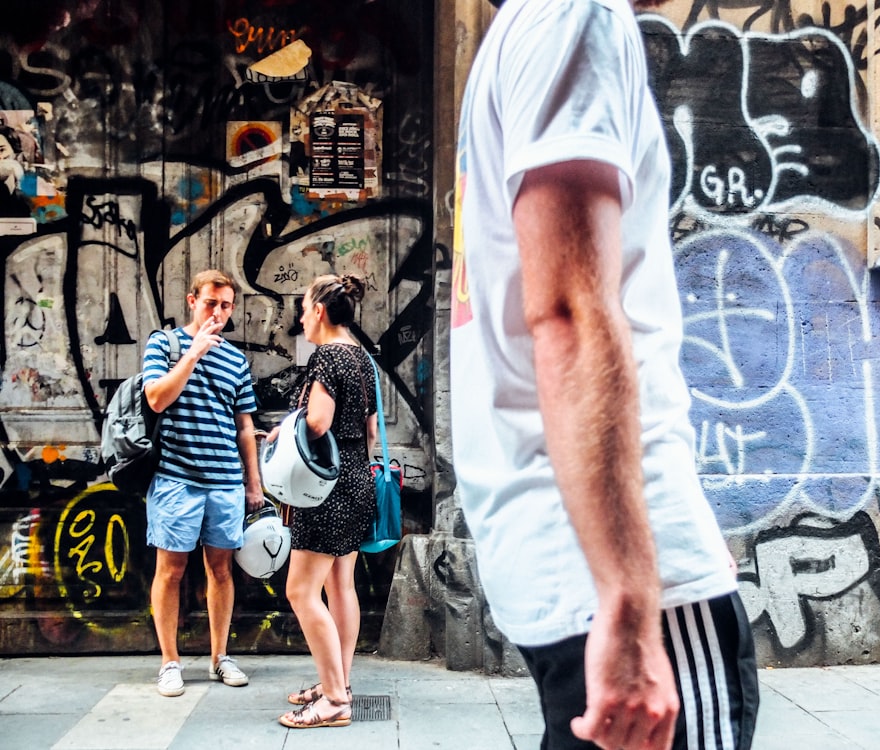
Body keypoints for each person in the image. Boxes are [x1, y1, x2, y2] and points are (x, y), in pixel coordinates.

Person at [449, 1, 759, 749]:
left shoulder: (526, 30)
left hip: (559, 555)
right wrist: (628, 602)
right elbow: (570, 312)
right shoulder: (572, 15)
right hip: (610, 569)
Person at [142, 269, 265, 697]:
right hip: (177, 478)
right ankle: (170, 662)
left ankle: (219, 657)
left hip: (225, 482)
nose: (218, 312)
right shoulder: (165, 344)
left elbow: (244, 425)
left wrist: (253, 483)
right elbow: (156, 397)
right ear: (192, 300)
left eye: (226, 305)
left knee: (221, 570)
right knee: (170, 571)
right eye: (211, 302)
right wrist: (192, 354)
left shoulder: (235, 360)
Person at [270, 273, 377, 729]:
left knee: (300, 589)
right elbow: (371, 431)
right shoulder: (361, 358)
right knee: (340, 587)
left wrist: (283, 430)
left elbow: (316, 423)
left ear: (318, 309)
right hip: (355, 481)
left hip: (325, 489)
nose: (300, 318)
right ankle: (339, 682)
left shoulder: (327, 357)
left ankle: (334, 701)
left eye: (302, 308)